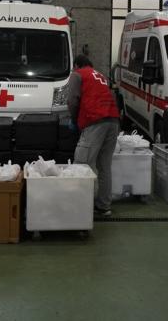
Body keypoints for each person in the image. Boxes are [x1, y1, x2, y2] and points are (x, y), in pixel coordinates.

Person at [67, 54, 120, 216]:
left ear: (76, 65)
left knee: (81, 164)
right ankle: (104, 206)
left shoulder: (77, 74)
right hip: (113, 121)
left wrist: (74, 120)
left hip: (95, 121)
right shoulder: (100, 75)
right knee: (104, 167)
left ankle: (78, 208)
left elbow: (72, 100)